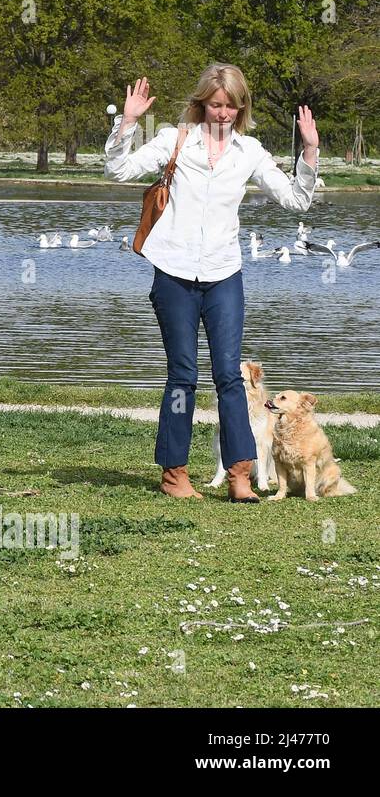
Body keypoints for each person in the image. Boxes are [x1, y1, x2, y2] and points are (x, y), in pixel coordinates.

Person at [105, 64, 318, 503]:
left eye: (230, 106)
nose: (222, 113)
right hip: (174, 274)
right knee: (182, 376)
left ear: (241, 108)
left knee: (230, 377)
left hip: (224, 275)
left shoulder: (250, 152)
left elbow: (297, 200)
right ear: (202, 103)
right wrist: (127, 122)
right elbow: (118, 171)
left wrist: (310, 151)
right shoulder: (174, 140)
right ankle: (174, 475)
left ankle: (241, 475)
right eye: (214, 104)